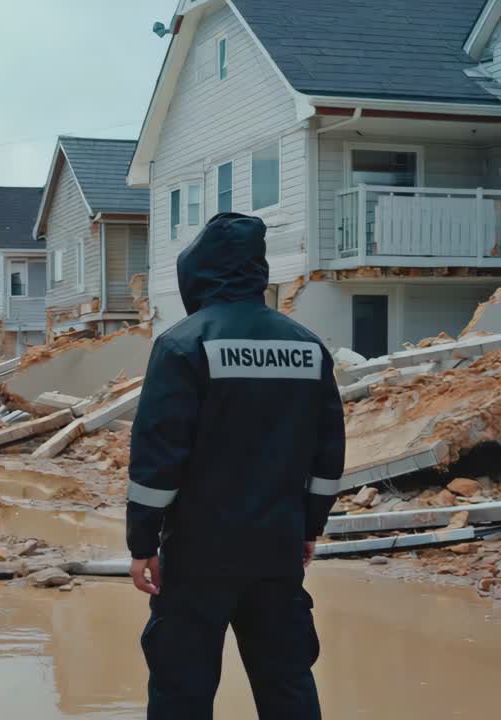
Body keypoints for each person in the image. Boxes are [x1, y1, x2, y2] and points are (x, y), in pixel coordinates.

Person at [127, 213, 346, 719]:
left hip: (198, 553)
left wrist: (142, 543)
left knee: (182, 686)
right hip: (277, 546)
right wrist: (310, 526)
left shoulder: (183, 345)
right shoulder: (308, 347)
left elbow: (157, 459)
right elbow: (328, 456)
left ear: (197, 273)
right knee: (286, 680)